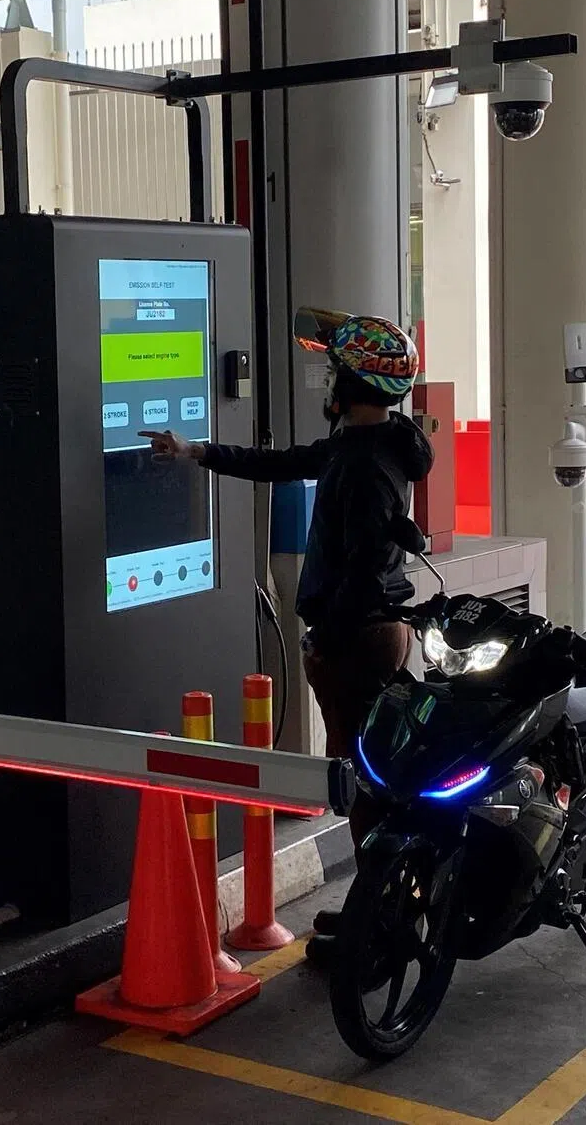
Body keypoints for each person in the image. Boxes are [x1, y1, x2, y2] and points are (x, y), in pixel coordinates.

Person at [142, 306, 433, 964]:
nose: (326, 381)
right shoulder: (374, 444)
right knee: (373, 778)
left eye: (333, 372)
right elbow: (283, 463)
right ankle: (380, 905)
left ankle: (382, 921)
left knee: (367, 786)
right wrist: (196, 451)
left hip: (357, 638)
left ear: (350, 384)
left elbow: (362, 568)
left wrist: (325, 638)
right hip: (373, 634)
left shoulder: (364, 465)